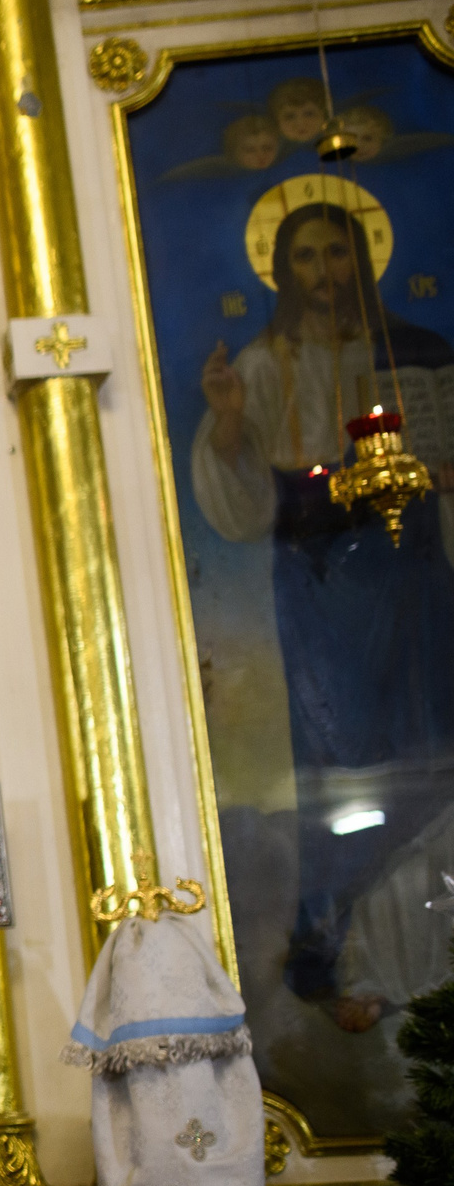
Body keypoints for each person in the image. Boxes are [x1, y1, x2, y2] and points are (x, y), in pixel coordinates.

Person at [194, 199, 454, 1023]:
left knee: (430, 741)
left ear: (364, 261)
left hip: (414, 580)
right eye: (305, 258)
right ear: (283, 270)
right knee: (343, 759)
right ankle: (339, 953)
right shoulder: (265, 367)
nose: (325, 275)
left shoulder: (417, 353)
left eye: (338, 256)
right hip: (319, 589)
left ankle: (430, 954)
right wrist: (232, 422)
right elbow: (242, 507)